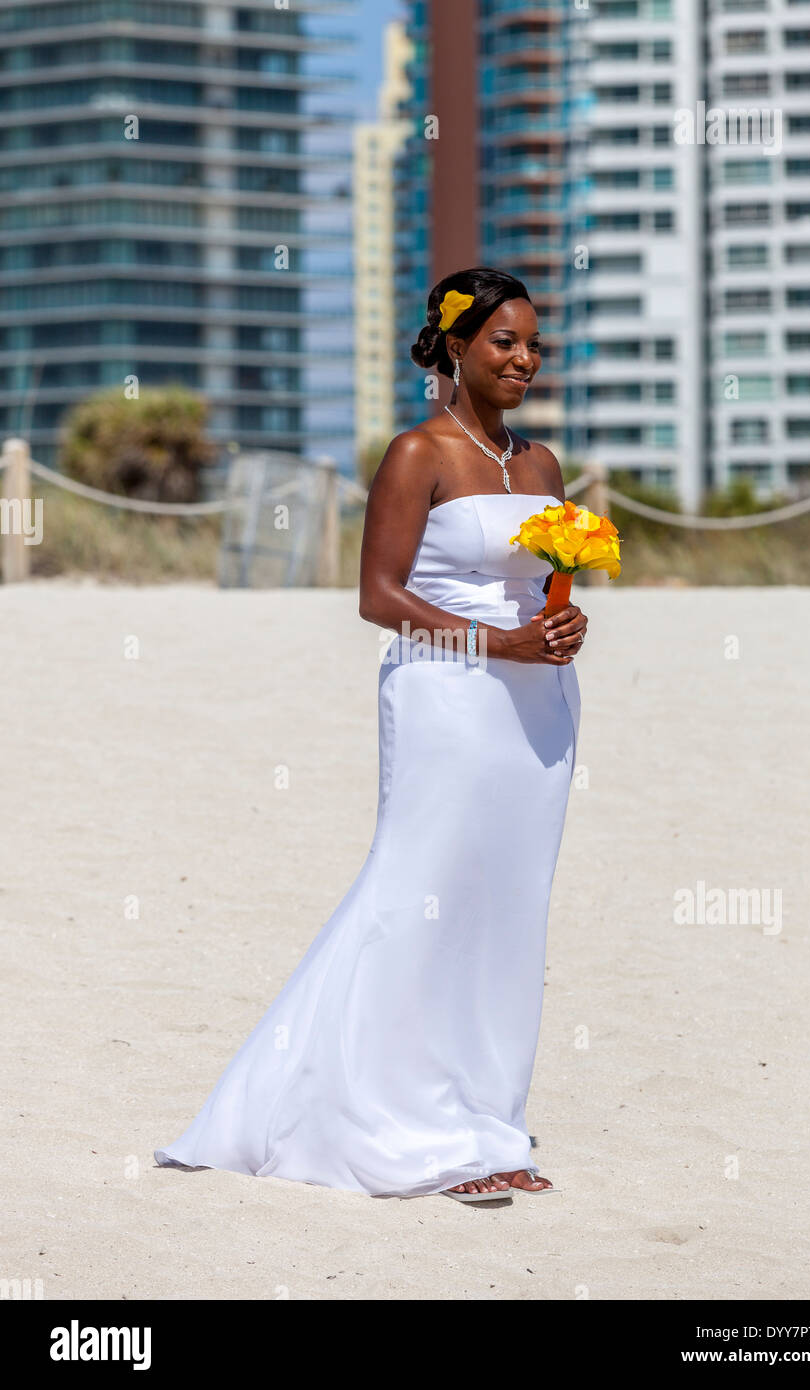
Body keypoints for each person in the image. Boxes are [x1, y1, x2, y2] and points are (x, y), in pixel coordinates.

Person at [155, 267, 587, 1203]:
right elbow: (377, 599)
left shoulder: (544, 464)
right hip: (447, 697)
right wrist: (495, 640)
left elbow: (545, 582)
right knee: (420, 891)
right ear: (458, 347)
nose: (524, 358)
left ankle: (488, 1121)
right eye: (505, 342)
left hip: (539, 707)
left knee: (507, 912)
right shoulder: (416, 453)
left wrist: (559, 622)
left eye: (534, 344)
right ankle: (400, 1122)